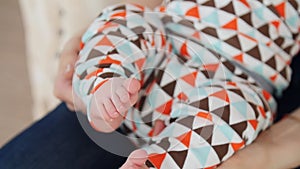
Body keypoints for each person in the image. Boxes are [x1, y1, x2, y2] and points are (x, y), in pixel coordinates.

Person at [0, 0, 299, 169]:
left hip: (233, 83)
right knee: (124, 20)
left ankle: (159, 162)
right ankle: (100, 87)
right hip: (157, 53)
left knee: (238, 110)